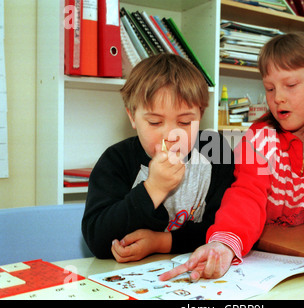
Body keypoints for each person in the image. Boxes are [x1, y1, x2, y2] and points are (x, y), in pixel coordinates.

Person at [159, 32, 304, 282]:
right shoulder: (259, 141)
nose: (278, 97)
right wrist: (224, 244)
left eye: (290, 85)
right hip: (267, 253)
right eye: (269, 88)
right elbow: (246, 196)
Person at [82, 54, 235, 262]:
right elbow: (98, 239)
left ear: (200, 115)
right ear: (132, 117)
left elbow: (227, 230)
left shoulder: (214, 150)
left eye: (184, 122)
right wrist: (153, 189)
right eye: (154, 122)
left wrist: (161, 242)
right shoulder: (116, 161)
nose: (171, 135)